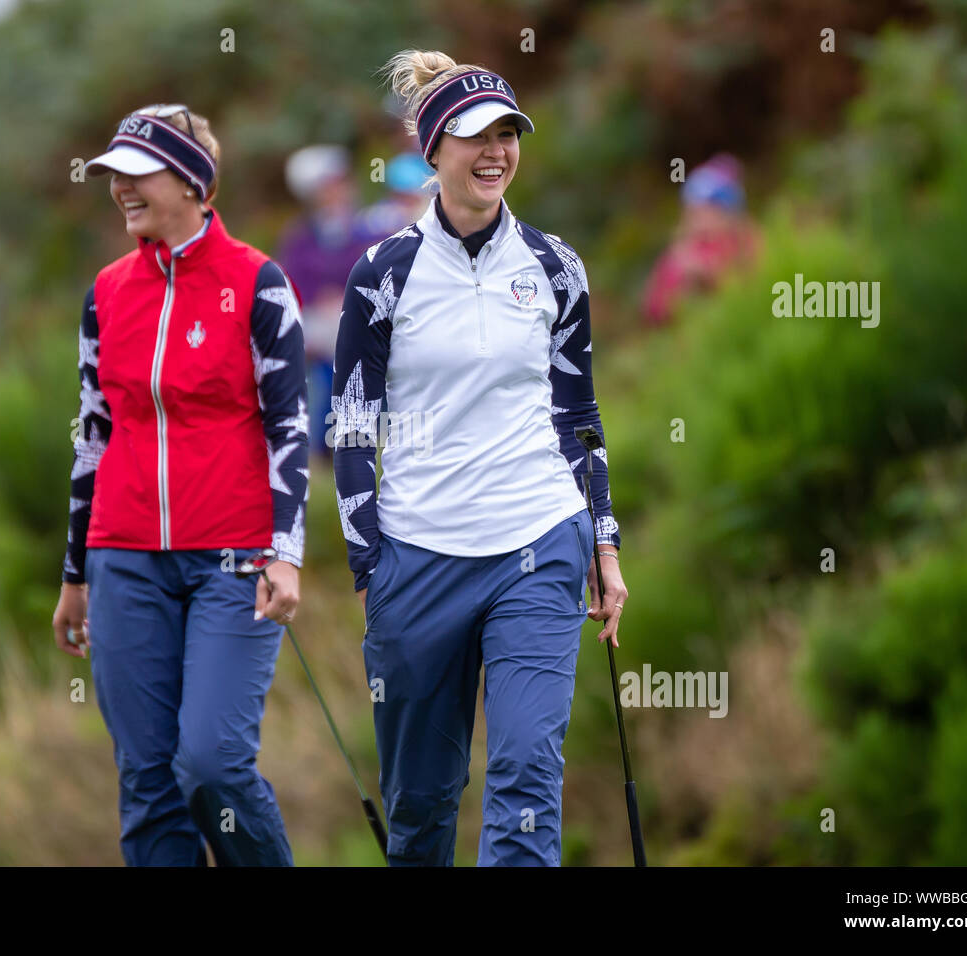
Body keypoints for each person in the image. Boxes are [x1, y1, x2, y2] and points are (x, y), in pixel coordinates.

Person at [331, 50, 629, 866]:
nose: (495, 149)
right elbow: (353, 426)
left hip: (539, 541)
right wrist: (371, 566)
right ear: (434, 151)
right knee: (421, 806)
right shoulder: (381, 274)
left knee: (528, 774)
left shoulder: (556, 266)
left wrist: (603, 540)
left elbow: (580, 416)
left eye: (508, 132)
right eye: (474, 135)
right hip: (417, 557)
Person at [50, 103, 309, 867]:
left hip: (234, 556)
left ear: (193, 181)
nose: (121, 190)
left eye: (138, 175)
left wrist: (286, 552)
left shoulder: (257, 282)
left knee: (211, 764)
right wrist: (74, 572)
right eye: (112, 178)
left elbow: (290, 426)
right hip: (123, 556)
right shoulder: (106, 292)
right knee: (149, 785)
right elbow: (92, 434)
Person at [277, 145, 380, 459]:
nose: (337, 192)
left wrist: (345, 297)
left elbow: (377, 274)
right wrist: (317, 301)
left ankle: (360, 431)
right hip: (316, 324)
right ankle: (324, 439)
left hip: (358, 316)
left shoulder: (368, 231)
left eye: (340, 183)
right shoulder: (299, 238)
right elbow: (290, 284)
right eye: (329, 186)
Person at [642, 153, 759, 326]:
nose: (699, 221)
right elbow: (654, 309)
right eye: (692, 213)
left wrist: (711, 277)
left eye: (707, 212)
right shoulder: (679, 252)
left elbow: (755, 290)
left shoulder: (744, 243)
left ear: (728, 213)